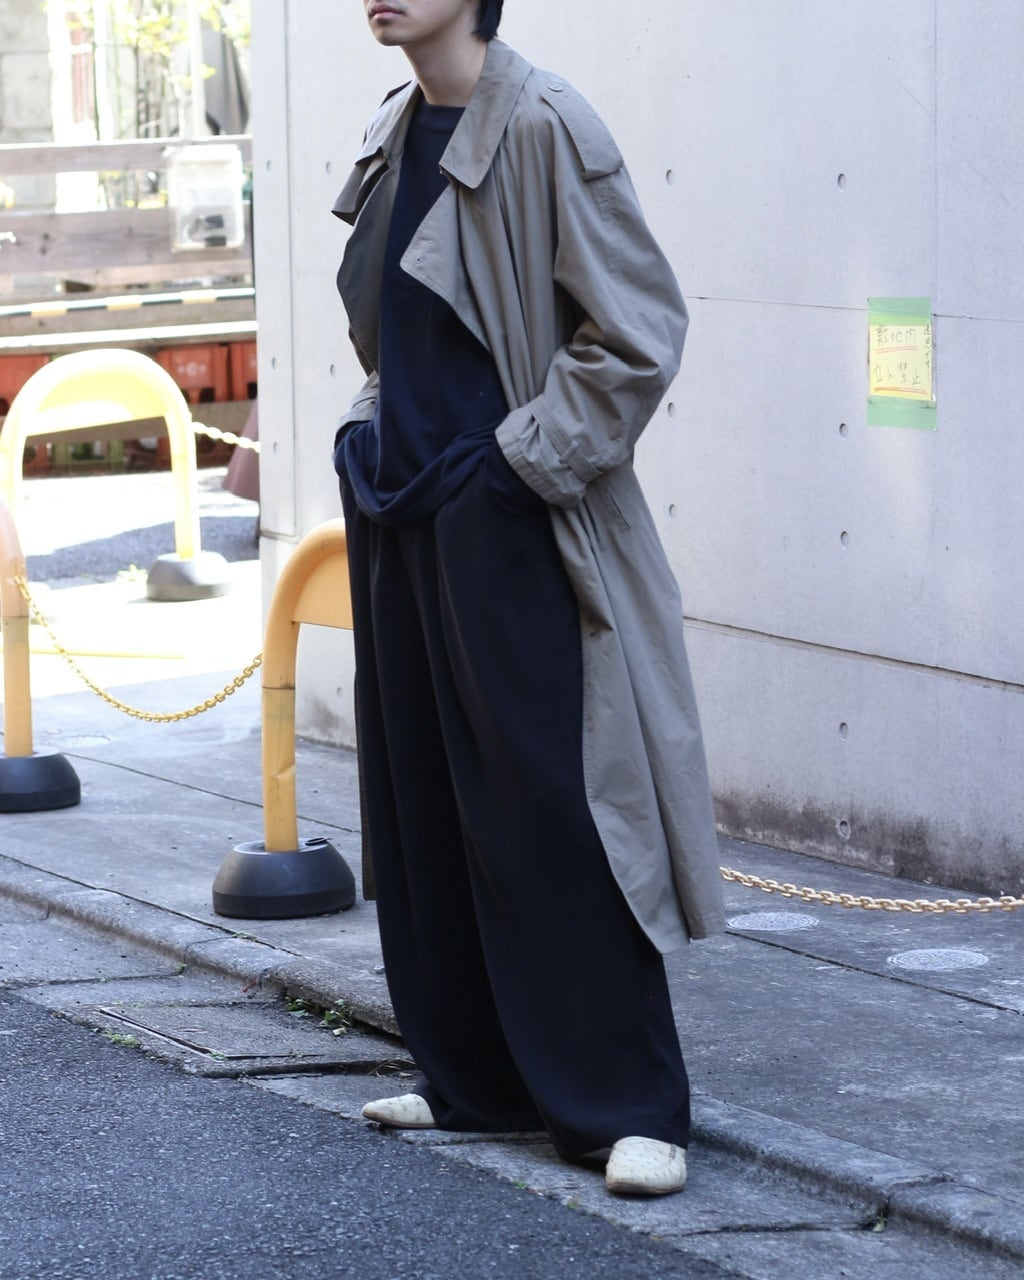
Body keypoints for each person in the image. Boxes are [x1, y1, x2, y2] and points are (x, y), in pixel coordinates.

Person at [332, 0, 724, 1197]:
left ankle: (630, 1105)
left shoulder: (547, 122)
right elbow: (394, 335)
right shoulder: (395, 127)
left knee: (560, 804)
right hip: (405, 510)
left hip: (517, 521)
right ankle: (474, 1078)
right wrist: (364, 431)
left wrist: (510, 472)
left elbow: (636, 335)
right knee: (425, 800)